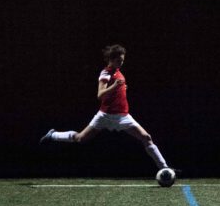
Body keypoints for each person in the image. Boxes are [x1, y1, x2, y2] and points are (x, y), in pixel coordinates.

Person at [40, 44, 170, 171]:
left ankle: (165, 169)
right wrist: (114, 87)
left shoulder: (117, 72)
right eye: (118, 60)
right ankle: (53, 135)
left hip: (123, 116)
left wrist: (122, 88)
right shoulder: (105, 73)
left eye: (122, 60)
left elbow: (116, 90)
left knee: (146, 137)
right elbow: (100, 94)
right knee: (80, 138)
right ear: (111, 60)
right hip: (105, 116)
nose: (121, 63)